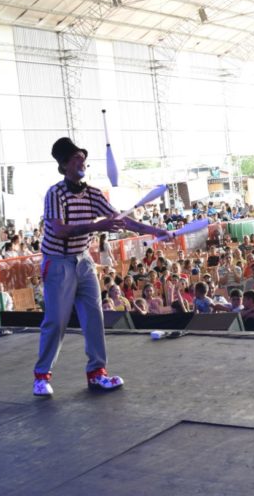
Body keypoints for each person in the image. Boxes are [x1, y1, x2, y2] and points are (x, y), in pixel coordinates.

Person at [32, 137, 169, 397]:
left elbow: (120, 221)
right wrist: (97, 226)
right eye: (75, 158)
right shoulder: (55, 194)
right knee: (56, 321)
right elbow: (60, 230)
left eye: (82, 157)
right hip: (57, 261)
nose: (81, 160)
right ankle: (41, 376)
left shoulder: (94, 193)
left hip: (83, 260)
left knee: (94, 317)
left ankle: (97, 373)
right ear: (63, 166)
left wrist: (157, 231)